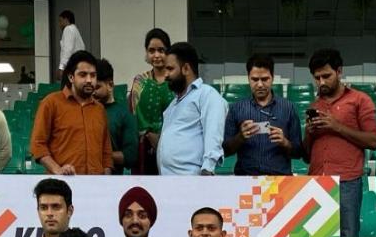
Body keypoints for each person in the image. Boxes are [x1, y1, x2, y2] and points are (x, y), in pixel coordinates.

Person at [304, 49, 376, 237]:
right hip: (316, 180)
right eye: (317, 77)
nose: (321, 82)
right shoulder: (314, 104)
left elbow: (374, 140)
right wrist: (309, 132)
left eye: (326, 76)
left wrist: (337, 126)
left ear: (339, 72)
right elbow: (307, 155)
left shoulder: (359, 100)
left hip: (347, 180)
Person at [30, 50, 112, 175]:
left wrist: (106, 179)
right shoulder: (51, 103)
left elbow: (106, 152)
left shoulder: (99, 109)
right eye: (83, 75)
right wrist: (57, 170)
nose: (89, 80)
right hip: (61, 185)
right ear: (71, 77)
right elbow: (38, 145)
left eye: (93, 75)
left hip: (96, 186)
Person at [223, 54, 303, 176]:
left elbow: (298, 153)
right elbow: (225, 151)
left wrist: (285, 142)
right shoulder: (236, 109)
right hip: (245, 182)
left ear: (272, 78)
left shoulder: (288, 108)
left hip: (280, 183)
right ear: (248, 78)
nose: (260, 84)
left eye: (265, 79)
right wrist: (240, 137)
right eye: (255, 79)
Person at [157, 42, 227, 176]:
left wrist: (208, 169)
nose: (166, 75)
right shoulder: (173, 105)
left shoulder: (206, 94)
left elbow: (213, 133)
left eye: (170, 69)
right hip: (167, 182)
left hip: (193, 181)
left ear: (186, 69)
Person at [129, 28, 174, 176]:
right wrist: (148, 134)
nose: (156, 55)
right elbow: (134, 113)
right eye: (151, 50)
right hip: (143, 147)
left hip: (172, 147)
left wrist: (161, 139)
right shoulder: (139, 81)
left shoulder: (175, 81)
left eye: (161, 50)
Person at [94, 58, 138, 174]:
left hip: (112, 184)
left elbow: (130, 156)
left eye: (97, 87)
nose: (92, 92)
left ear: (110, 85)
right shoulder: (83, 112)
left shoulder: (124, 115)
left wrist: (96, 155)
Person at [56, 10, 86, 79]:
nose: (59, 24)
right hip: (79, 66)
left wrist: (61, 67)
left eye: (60, 21)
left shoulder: (68, 29)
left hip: (72, 68)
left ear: (66, 20)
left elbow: (67, 50)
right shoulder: (75, 30)